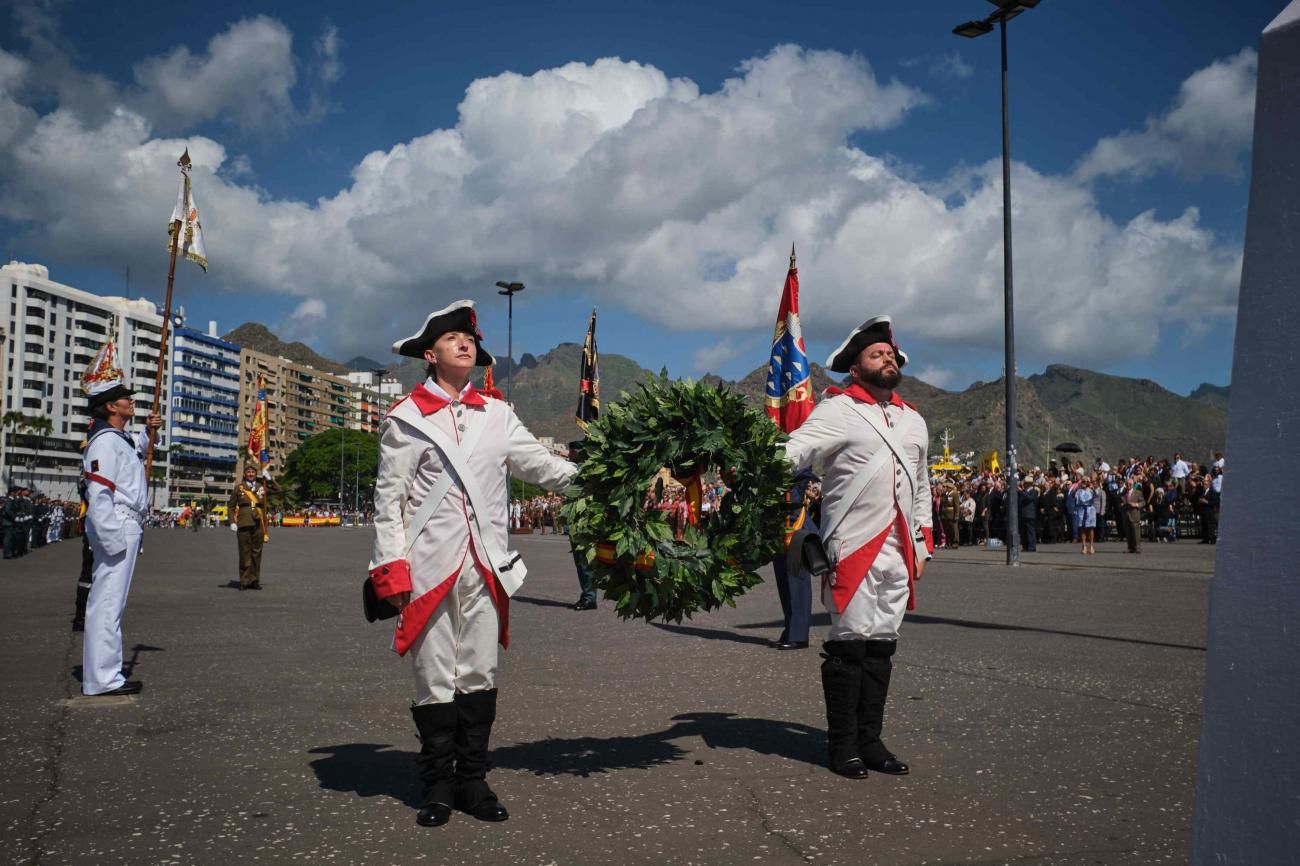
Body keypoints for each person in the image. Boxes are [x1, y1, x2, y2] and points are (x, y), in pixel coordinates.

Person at [368, 300, 577, 827]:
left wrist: (602, 475)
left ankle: (473, 781)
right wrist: (390, 569)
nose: (465, 343)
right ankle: (437, 785)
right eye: (452, 338)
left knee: (480, 672)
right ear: (430, 355)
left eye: (469, 338)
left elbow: (542, 465)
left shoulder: (498, 415)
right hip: (429, 566)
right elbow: (388, 502)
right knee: (435, 677)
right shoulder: (406, 419)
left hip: (487, 565)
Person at [785, 315, 933, 780]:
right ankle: (842, 745)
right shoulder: (836, 410)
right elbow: (794, 450)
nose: (887, 359)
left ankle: (871, 741)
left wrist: (923, 542)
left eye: (890, 354)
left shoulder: (914, 420)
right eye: (877, 354)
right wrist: (745, 456)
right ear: (855, 367)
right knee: (848, 648)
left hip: (899, 550)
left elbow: (923, 485)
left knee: (882, 648)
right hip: (852, 547)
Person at [80, 366, 161, 697]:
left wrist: (147, 432)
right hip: (118, 525)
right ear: (110, 406)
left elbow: (134, 456)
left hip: (127, 525)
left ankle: (106, 672)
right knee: (108, 603)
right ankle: (102, 678)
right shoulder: (103, 442)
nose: (130, 401)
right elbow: (99, 495)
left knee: (112, 603)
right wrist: (111, 538)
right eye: (124, 398)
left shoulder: (118, 440)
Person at [770, 469, 817, 650]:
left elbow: (800, 473)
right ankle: (791, 629)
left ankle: (798, 634)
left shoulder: (799, 443)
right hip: (779, 520)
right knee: (784, 579)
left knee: (796, 579)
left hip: (794, 520)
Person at [230, 464, 276, 590]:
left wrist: (270, 479)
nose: (250, 474)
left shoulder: (261, 486)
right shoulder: (239, 488)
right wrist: (232, 522)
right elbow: (231, 507)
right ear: (244, 474)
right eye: (248, 472)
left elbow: (278, 491)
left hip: (259, 523)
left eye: (253, 472)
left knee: (257, 553)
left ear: (256, 474)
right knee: (244, 552)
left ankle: (255, 579)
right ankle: (244, 580)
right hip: (244, 523)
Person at [567, 440, 598, 611]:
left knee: (584, 560)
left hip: (584, 521)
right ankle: (587, 594)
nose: (570, 455)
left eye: (572, 452)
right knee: (581, 561)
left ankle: (589, 597)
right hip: (577, 519)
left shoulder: (585, 472)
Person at [1018, 480, 1039, 552]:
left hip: (1030, 514)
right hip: (1023, 513)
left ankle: (1032, 547)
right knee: (1023, 531)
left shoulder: (1034, 491)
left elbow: (1030, 498)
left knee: (1030, 531)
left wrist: (1022, 492)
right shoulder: (1024, 491)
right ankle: (1025, 546)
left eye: (1025, 483)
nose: (1024, 484)